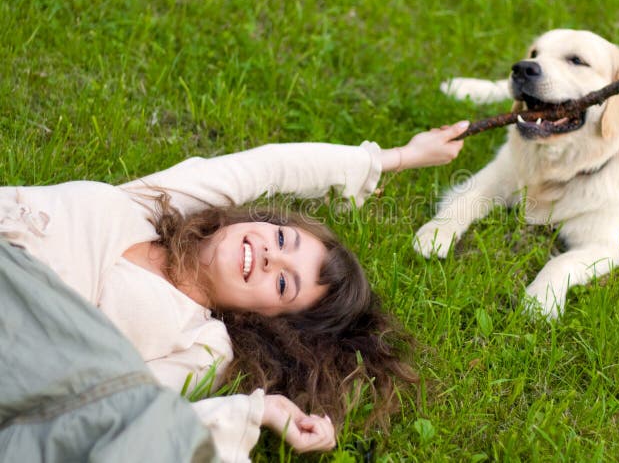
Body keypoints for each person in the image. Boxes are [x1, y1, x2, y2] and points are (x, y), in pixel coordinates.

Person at [0, 121, 469, 462]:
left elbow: (128, 414)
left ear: (264, 318)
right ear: (259, 221)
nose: (271, 256)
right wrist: (396, 157)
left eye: (284, 283)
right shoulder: (162, 203)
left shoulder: (204, 345)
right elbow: (270, 166)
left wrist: (259, 411)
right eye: (283, 239)